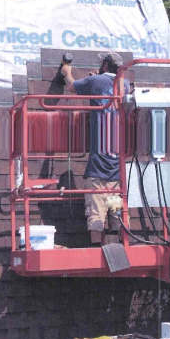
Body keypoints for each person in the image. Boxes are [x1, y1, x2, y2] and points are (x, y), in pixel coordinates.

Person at [61, 52, 129, 245]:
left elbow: (71, 86)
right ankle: (119, 247)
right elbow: (106, 85)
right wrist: (96, 78)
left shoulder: (94, 81)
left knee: (96, 213)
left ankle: (97, 248)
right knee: (117, 212)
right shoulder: (125, 85)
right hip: (118, 169)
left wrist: (67, 71)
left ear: (105, 66)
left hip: (98, 168)